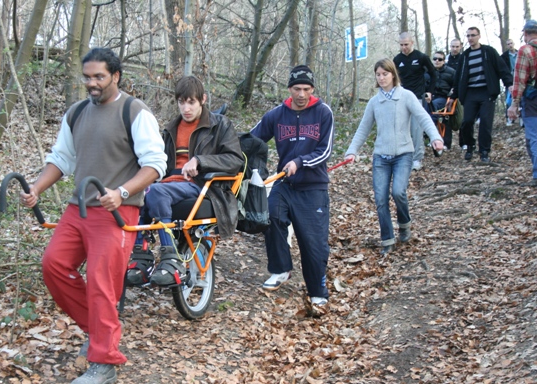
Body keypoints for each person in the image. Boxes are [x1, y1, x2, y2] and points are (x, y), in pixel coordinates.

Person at [20, 48, 167, 384]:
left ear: (115, 76)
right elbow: (62, 158)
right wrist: (37, 189)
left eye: (98, 76)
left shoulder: (135, 112)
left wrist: (123, 191)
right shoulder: (76, 113)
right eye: (87, 77)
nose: (91, 83)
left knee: (102, 282)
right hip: (79, 208)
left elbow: (156, 164)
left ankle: (105, 360)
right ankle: (100, 331)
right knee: (54, 264)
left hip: (116, 210)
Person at [125, 76, 244, 286]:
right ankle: (142, 257)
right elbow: (156, 161)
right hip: (169, 184)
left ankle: (170, 258)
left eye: (191, 102)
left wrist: (200, 160)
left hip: (203, 186)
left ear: (203, 100)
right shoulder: (170, 129)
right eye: (181, 102)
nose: (186, 108)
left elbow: (235, 160)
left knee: (156, 192)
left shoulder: (220, 125)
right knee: (139, 192)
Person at [250, 65, 334, 314]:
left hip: (313, 187)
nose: (301, 94)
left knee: (313, 244)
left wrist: (300, 162)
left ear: (312, 90)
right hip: (284, 184)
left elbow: (325, 150)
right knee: (271, 216)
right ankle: (281, 269)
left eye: (306, 89)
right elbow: (252, 140)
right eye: (297, 89)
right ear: (289, 89)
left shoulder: (323, 113)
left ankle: (318, 293)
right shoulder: (277, 115)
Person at [345, 59, 443, 255]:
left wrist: (435, 137)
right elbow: (363, 129)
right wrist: (351, 151)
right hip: (381, 157)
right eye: (378, 75)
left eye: (385, 74)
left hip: (403, 155)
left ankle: (404, 224)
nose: (381, 78)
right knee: (380, 199)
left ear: (393, 74)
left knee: (398, 192)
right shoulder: (374, 102)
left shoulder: (406, 96)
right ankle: (387, 239)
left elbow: (423, 117)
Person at [447, 27, 513, 163]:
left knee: (485, 122)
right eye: (468, 36)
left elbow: (502, 69)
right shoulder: (465, 56)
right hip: (470, 93)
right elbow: (458, 78)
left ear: (479, 36)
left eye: (473, 35)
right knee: (467, 121)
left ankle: (484, 151)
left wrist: (509, 84)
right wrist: (453, 96)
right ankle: (470, 146)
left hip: (487, 92)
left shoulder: (489, 52)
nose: (470, 38)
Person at [394, 32, 437, 171]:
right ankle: (402, 156)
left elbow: (433, 74)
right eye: (401, 45)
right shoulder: (397, 59)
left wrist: (429, 91)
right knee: (401, 127)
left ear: (412, 43)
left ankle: (417, 158)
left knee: (416, 128)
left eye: (406, 44)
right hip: (400, 97)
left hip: (417, 97)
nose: (404, 47)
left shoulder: (421, 57)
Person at [508, 20, 537, 187]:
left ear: (525, 34)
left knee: (534, 136)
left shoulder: (525, 50)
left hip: (533, 100)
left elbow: (519, 80)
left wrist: (514, 103)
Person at [429, 51, 456, 149]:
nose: (437, 61)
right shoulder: (427, 72)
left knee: (436, 110)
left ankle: (444, 142)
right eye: (435, 59)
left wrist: (452, 96)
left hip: (444, 98)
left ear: (444, 61)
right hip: (429, 97)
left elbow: (456, 86)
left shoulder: (451, 72)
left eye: (440, 59)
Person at [502, 39, 519, 126]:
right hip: (510, 81)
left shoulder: (520, 53)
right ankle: (509, 118)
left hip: (520, 79)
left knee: (522, 99)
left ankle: (522, 118)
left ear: (514, 43)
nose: (510, 45)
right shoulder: (504, 57)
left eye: (511, 43)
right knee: (509, 101)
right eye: (508, 44)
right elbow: (503, 70)